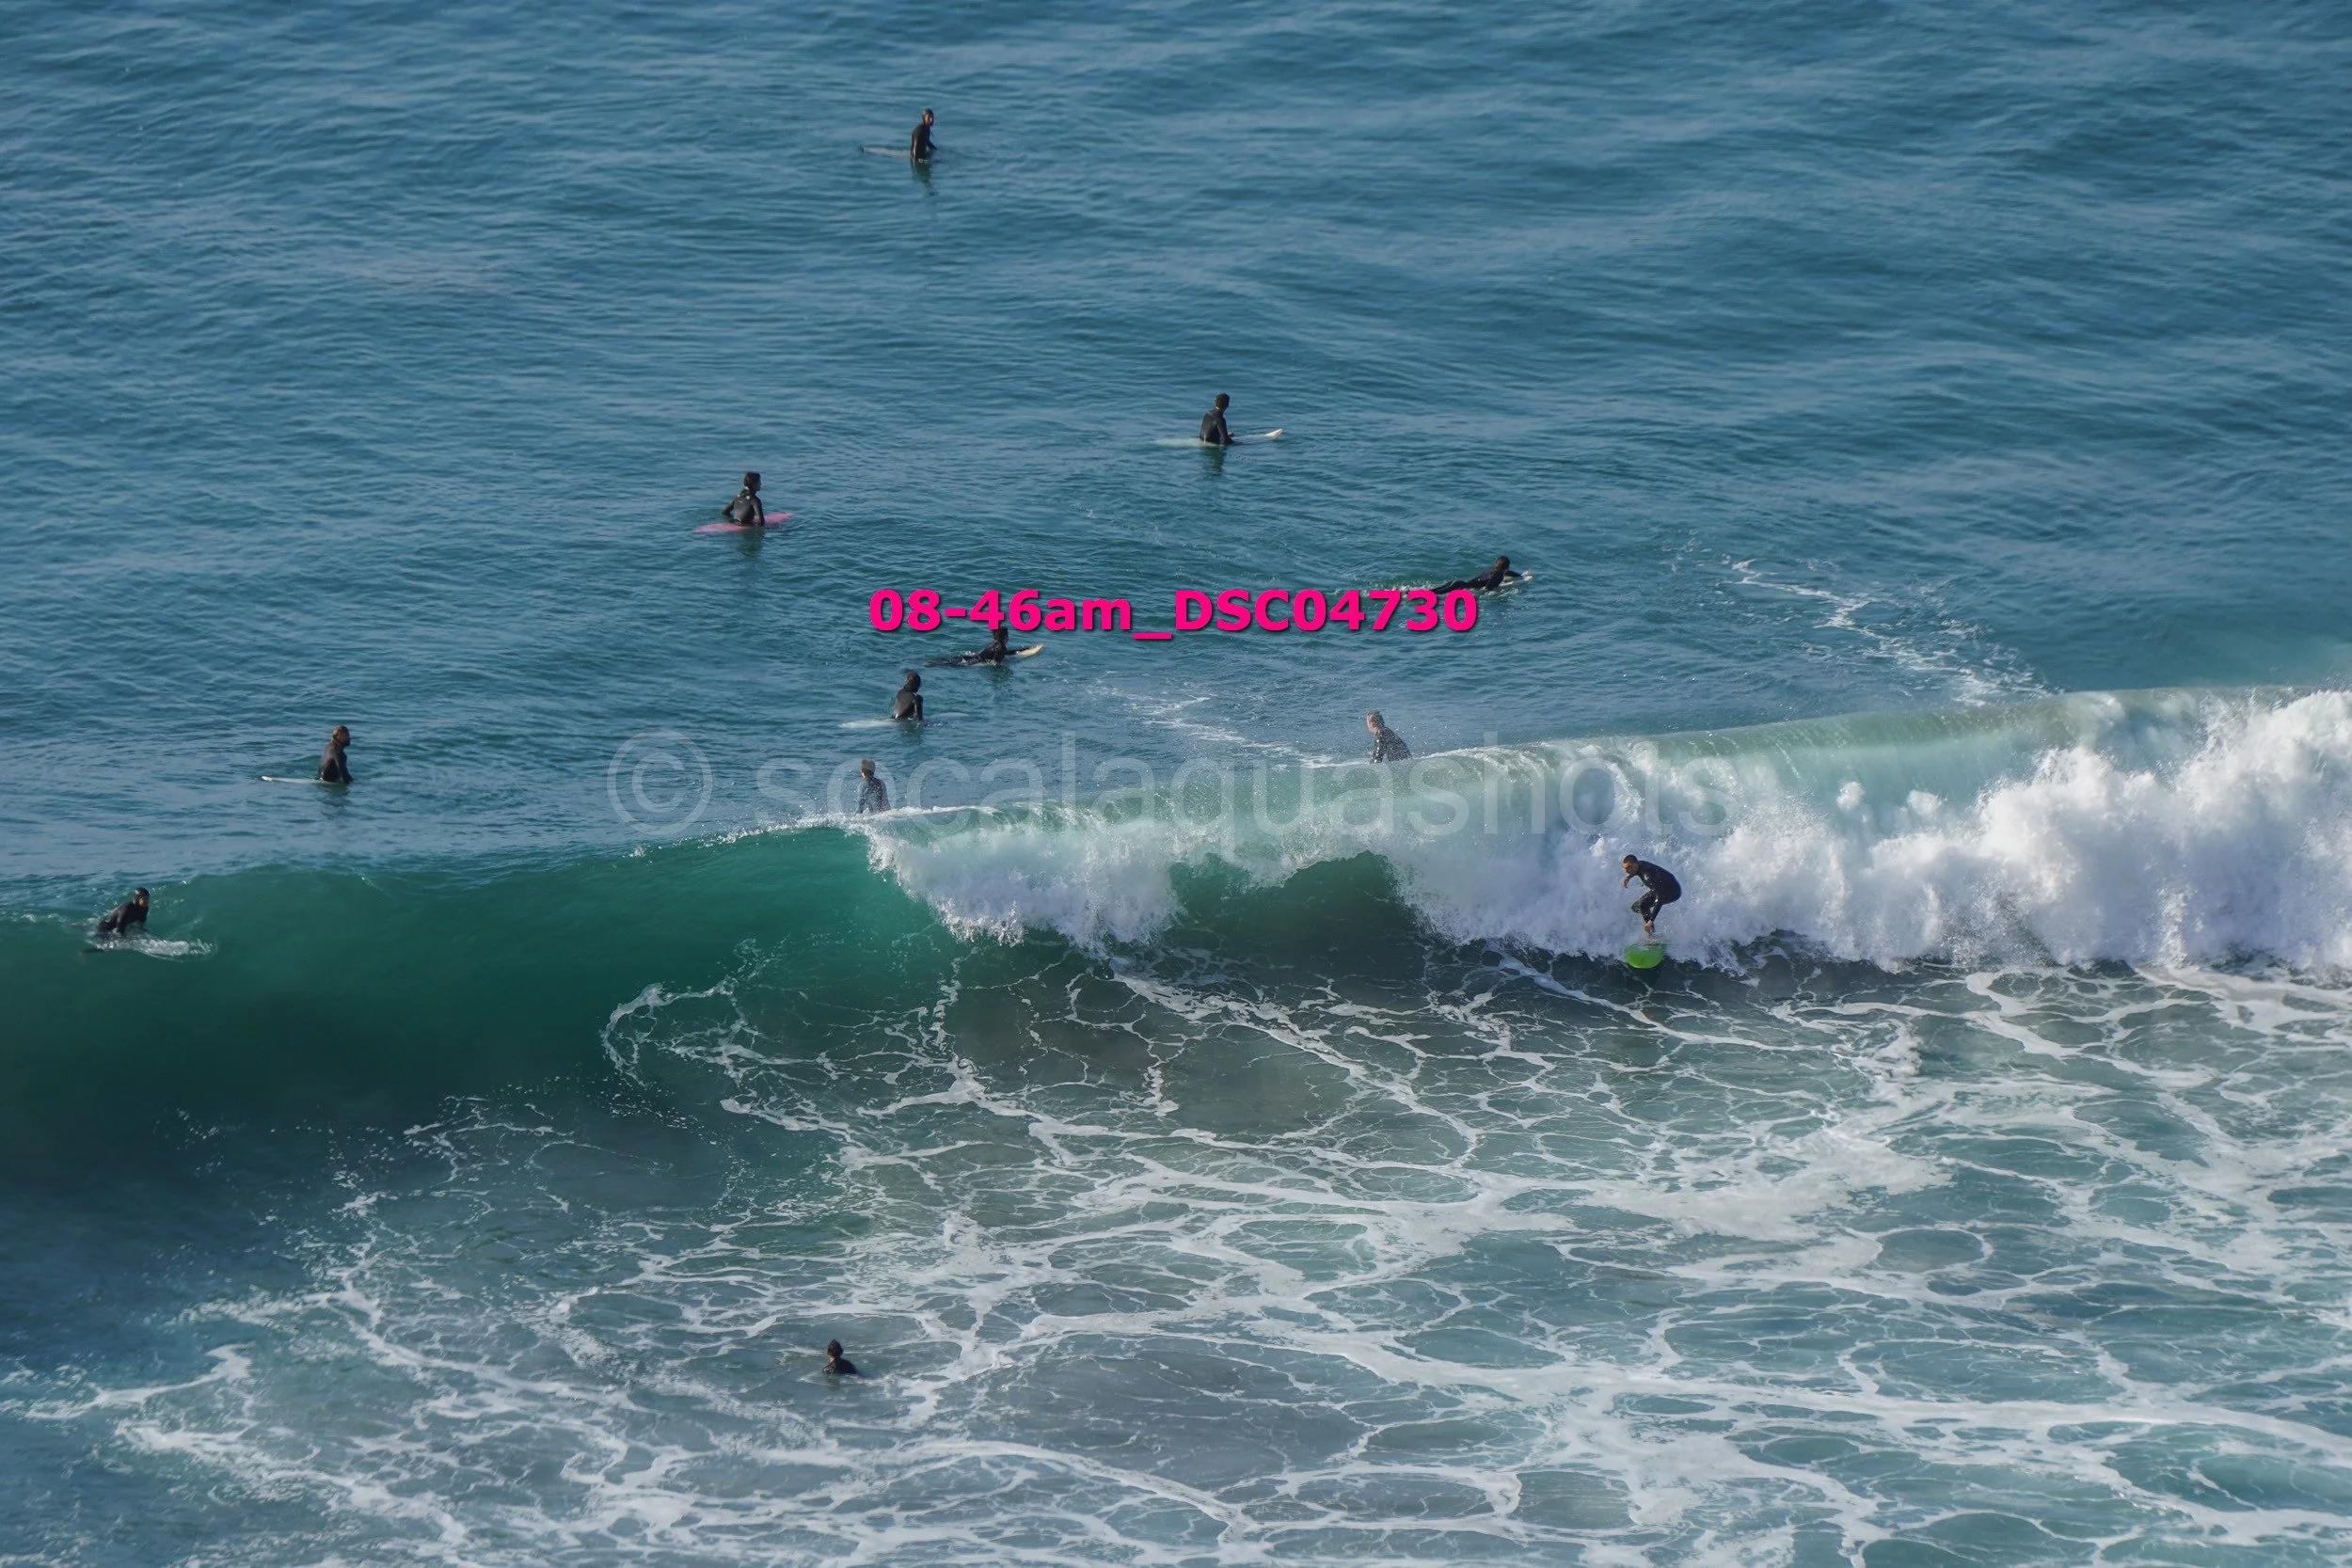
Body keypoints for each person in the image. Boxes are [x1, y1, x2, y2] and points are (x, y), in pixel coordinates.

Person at [1621, 853, 1682, 936]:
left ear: (1635, 864)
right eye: (1625, 869)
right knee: (1636, 907)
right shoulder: (1640, 864)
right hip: (1662, 886)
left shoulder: (1648, 877)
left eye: (1628, 868)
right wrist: (1629, 877)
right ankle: (1651, 925)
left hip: (1673, 892)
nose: (1626, 871)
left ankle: (1652, 935)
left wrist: (1651, 920)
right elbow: (1636, 871)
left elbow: (1659, 897)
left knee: (1643, 906)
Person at [1436, 556, 1522, 594]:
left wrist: (1520, 576)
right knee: (1435, 596)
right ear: (1507, 567)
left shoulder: (1493, 570)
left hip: (1457, 583)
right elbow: (1488, 588)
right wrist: (1500, 590)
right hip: (1461, 587)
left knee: (1431, 593)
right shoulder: (1499, 574)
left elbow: (1508, 572)